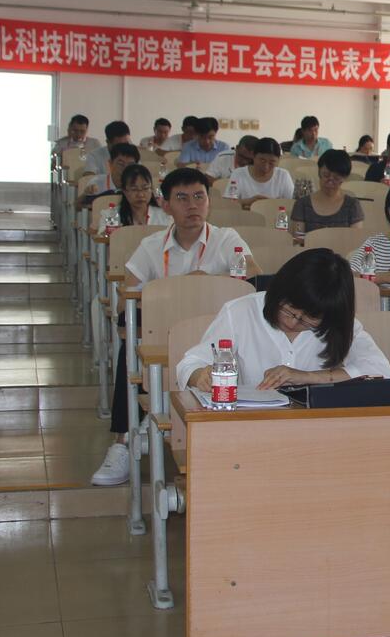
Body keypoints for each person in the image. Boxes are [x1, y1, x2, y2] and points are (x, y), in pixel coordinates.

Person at [175, 248, 390, 637]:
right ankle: (260, 634)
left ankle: (339, 624)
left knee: (346, 516)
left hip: (321, 454)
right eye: (290, 312)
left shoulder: (339, 326)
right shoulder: (240, 312)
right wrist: (209, 376)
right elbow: (189, 365)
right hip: (250, 456)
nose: (295, 325)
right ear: (279, 293)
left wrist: (307, 376)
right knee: (263, 524)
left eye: (308, 321)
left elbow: (379, 372)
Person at [91, 168, 259, 487]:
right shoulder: (152, 246)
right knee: (131, 350)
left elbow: (253, 277)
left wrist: (205, 282)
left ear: (209, 201)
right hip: (165, 337)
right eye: (181, 198)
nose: (192, 205)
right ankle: (122, 441)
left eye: (199, 196)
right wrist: (173, 294)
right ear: (165, 205)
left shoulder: (227, 239)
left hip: (218, 340)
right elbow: (128, 298)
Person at [292, 149, 364, 233]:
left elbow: (355, 238)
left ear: (344, 178)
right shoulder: (302, 204)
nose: (330, 181)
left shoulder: (352, 205)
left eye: (336, 177)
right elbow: (298, 239)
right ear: (319, 172)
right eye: (326, 175)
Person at [224, 137, 294, 207]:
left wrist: (274, 204)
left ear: (279, 160)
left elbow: (292, 203)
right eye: (262, 161)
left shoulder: (283, 176)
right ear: (253, 156)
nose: (266, 167)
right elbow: (228, 203)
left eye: (272, 162)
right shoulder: (238, 174)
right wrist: (248, 201)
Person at [78, 142, 140, 208]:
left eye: (130, 165)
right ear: (110, 164)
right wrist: (85, 196)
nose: (125, 168)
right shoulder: (97, 183)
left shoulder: (140, 186)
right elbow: (80, 207)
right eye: (121, 164)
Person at [114, 163, 172, 228]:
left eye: (145, 188)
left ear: (151, 189)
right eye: (134, 189)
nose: (140, 195)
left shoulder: (165, 216)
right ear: (124, 191)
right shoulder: (112, 216)